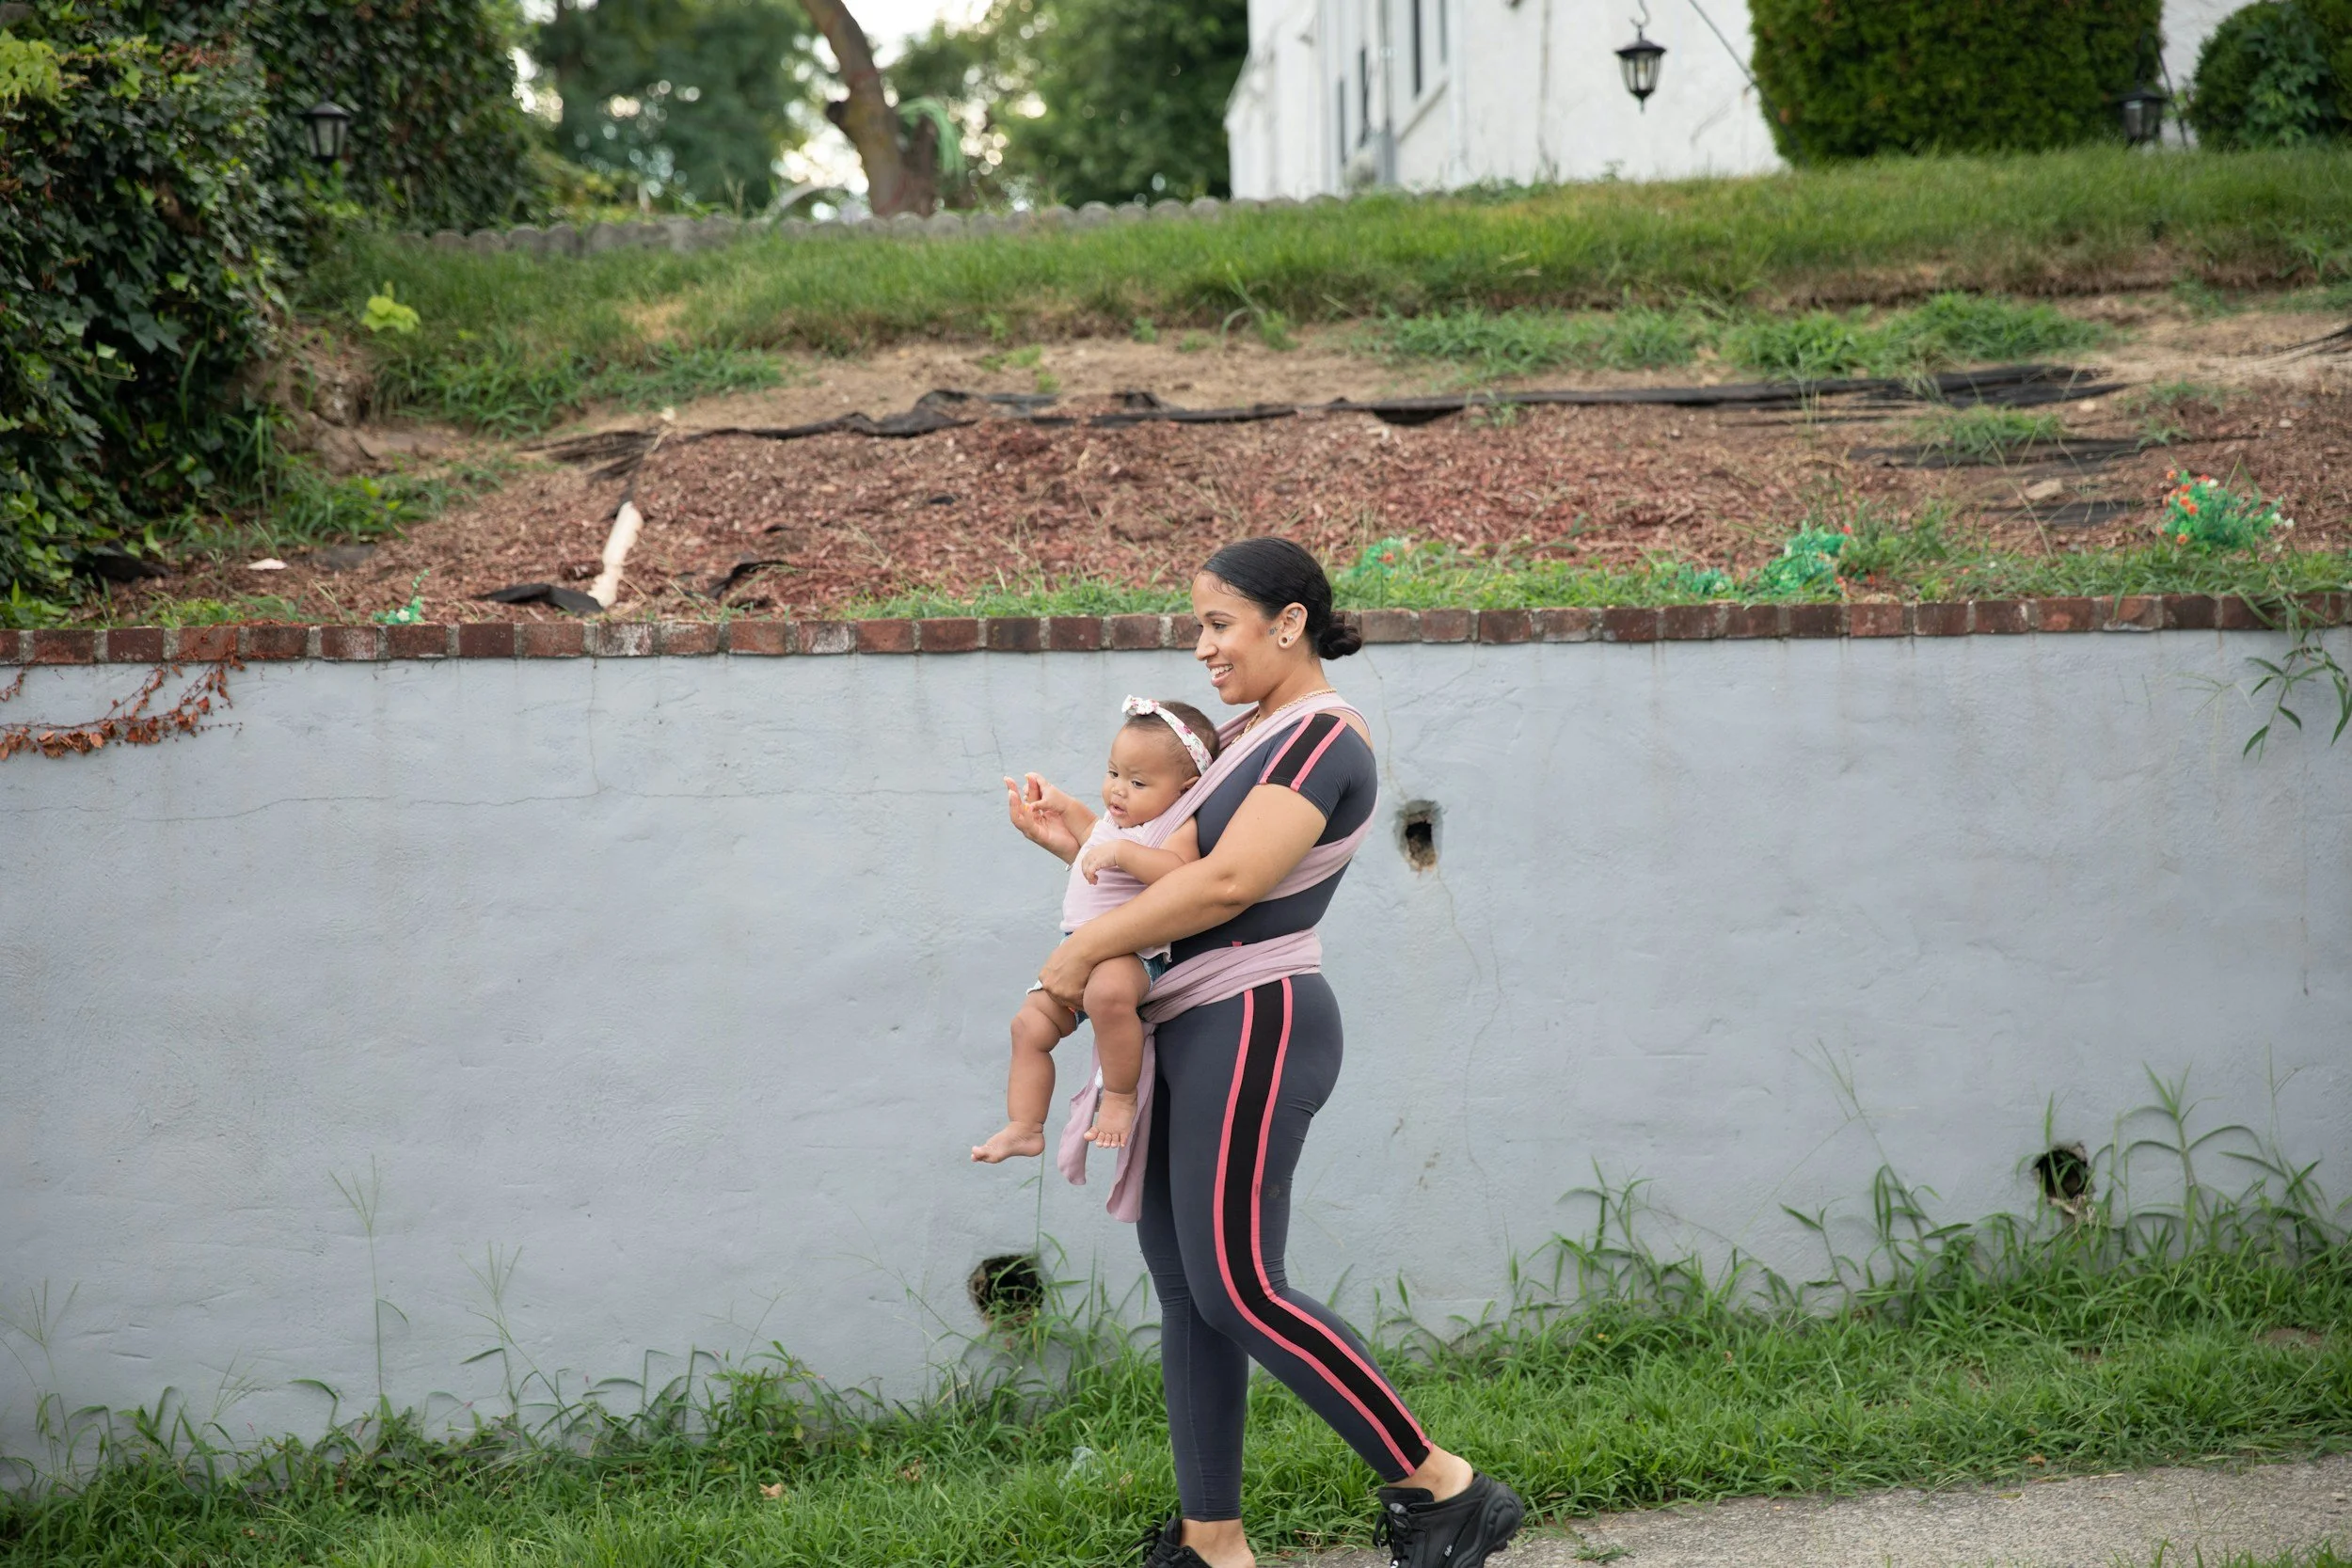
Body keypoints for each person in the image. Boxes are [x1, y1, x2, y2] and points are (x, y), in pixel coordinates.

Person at [1007, 538, 1525, 1568]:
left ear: (1288, 621)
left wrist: (1075, 956)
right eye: (1196, 625)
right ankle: (1212, 1541)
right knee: (1189, 1289)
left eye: (1217, 622)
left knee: (1240, 1284)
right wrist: (1081, 840)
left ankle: (1444, 1486)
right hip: (1192, 1020)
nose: (1199, 646)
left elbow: (1229, 888)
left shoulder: (1318, 739)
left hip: (1253, 1019)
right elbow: (1175, 884)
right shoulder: (1251, 735)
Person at [974, 697, 1225, 1164]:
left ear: (1185, 789)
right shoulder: (1116, 821)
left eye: (1137, 782)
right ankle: (1026, 1126)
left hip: (1132, 952)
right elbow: (1091, 831)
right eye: (1113, 774)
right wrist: (1059, 804)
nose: (1118, 792)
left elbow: (1181, 875)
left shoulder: (1175, 825)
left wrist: (1125, 856)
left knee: (1107, 995)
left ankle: (1120, 1096)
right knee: (1028, 1026)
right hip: (1077, 948)